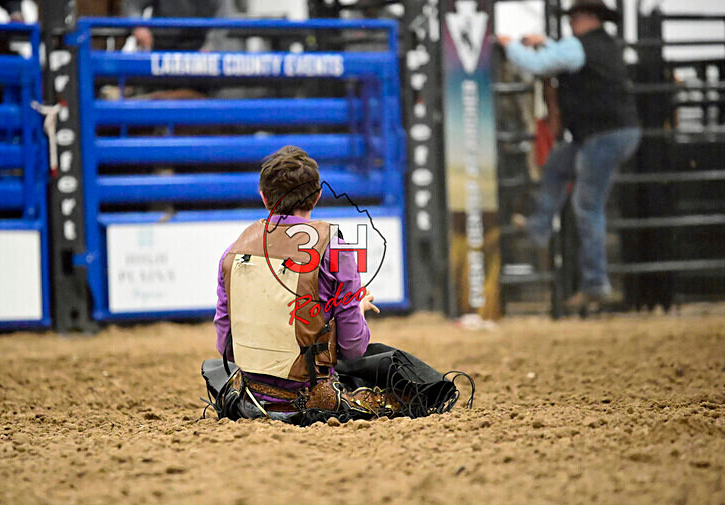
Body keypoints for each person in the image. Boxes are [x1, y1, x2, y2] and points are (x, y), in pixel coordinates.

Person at [202, 146, 472, 425]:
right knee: (395, 367)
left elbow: (226, 345)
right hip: (309, 400)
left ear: (263, 197)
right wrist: (355, 307)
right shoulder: (333, 248)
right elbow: (353, 347)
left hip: (247, 398)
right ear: (317, 196)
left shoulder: (232, 253)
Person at [497, 0, 642, 310]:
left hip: (603, 135)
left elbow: (540, 65)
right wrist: (546, 43)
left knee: (587, 204)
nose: (571, 23)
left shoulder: (579, 47)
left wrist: (510, 46)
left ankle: (595, 283)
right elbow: (567, 58)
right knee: (558, 163)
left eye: (575, 17)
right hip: (605, 133)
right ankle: (539, 227)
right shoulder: (601, 47)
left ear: (587, 18)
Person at [122, 0, 219, 51]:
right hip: (162, 47)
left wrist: (212, 45)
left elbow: (224, 14)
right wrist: (138, 27)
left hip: (201, 50)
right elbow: (133, 6)